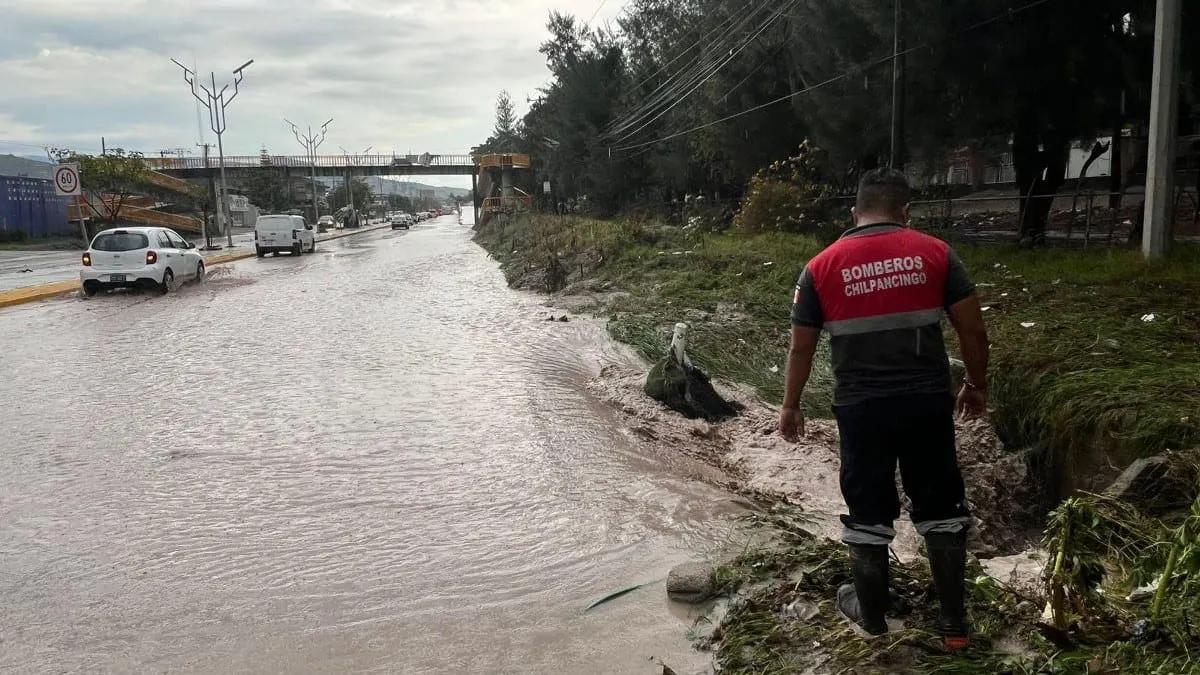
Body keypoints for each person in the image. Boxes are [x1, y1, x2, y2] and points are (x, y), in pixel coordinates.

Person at [779, 168, 989, 650]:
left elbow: (801, 350)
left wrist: (791, 405)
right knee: (940, 505)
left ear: (854, 214)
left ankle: (872, 619)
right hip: (926, 403)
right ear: (905, 212)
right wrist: (976, 384)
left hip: (860, 409)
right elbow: (973, 330)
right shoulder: (937, 253)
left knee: (868, 509)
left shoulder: (820, 267)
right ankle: (954, 629)